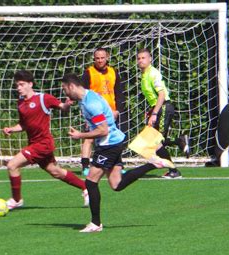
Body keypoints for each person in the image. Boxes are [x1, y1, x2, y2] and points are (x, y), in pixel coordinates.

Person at [61, 73, 175, 233]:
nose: (64, 92)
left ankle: (95, 223)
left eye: (64, 89)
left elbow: (103, 129)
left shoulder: (91, 103)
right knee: (116, 184)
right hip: (112, 142)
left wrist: (80, 135)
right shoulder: (87, 98)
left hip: (109, 144)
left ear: (71, 86)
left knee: (90, 181)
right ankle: (152, 163)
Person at [3, 70, 89, 210]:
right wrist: (12, 129)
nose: (18, 88)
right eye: (17, 85)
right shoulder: (20, 103)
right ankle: (86, 188)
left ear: (30, 84)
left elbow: (62, 107)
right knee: (56, 171)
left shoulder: (43, 98)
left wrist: (67, 105)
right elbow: (24, 124)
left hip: (43, 144)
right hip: (34, 144)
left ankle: (16, 200)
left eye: (21, 84)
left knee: (12, 165)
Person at [137, 48, 190, 179]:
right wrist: (151, 111)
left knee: (156, 141)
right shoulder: (144, 75)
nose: (140, 61)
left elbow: (161, 95)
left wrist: (154, 113)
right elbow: (153, 97)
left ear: (150, 59)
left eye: (143, 58)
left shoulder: (153, 73)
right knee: (151, 141)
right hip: (157, 108)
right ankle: (179, 142)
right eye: (138, 58)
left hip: (164, 107)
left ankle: (174, 170)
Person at [80, 47, 126, 176]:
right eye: (97, 58)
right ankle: (85, 166)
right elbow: (83, 95)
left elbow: (119, 92)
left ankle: (118, 164)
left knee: (114, 138)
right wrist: (85, 116)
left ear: (107, 58)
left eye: (102, 58)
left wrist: (117, 110)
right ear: (94, 59)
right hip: (95, 112)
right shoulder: (88, 72)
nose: (100, 60)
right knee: (90, 138)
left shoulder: (113, 72)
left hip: (111, 112)